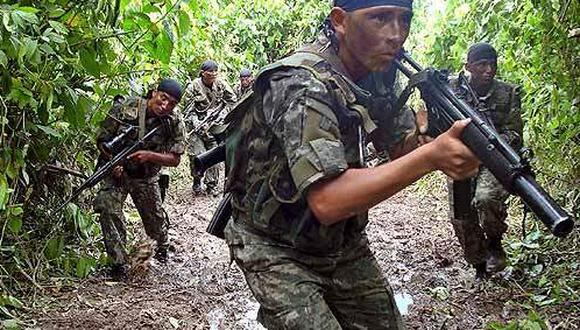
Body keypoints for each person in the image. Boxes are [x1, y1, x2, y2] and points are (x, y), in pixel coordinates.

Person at [222, 1, 480, 328]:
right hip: (274, 245)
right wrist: (430, 157)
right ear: (340, 21)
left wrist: (430, 138)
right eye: (380, 18)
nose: (396, 34)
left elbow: (401, 148)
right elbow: (329, 201)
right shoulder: (303, 83)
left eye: (405, 19)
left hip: (339, 240)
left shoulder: (378, 73)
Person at [94, 79, 186, 280]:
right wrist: (113, 162)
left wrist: (149, 156)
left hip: (145, 175)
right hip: (116, 172)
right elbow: (101, 139)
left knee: (155, 224)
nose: (165, 106)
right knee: (107, 207)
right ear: (154, 93)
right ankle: (118, 264)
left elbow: (175, 159)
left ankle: (161, 248)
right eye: (163, 98)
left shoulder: (174, 121)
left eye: (172, 103)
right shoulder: (126, 108)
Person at [448, 42, 524, 279]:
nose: (488, 70)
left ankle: (494, 243)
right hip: (462, 157)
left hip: (494, 159)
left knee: (486, 198)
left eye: (492, 64)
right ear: (468, 66)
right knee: (461, 214)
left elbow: (515, 133)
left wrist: (493, 142)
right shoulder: (452, 88)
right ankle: (479, 264)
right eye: (482, 64)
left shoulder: (508, 93)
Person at [182, 60, 237, 195]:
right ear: (202, 73)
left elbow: (233, 101)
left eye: (215, 72)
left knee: (213, 155)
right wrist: (195, 120)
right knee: (197, 155)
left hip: (214, 128)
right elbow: (185, 109)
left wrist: (223, 115)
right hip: (197, 128)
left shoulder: (221, 85)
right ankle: (197, 179)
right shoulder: (193, 87)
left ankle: (211, 184)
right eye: (210, 72)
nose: (213, 74)